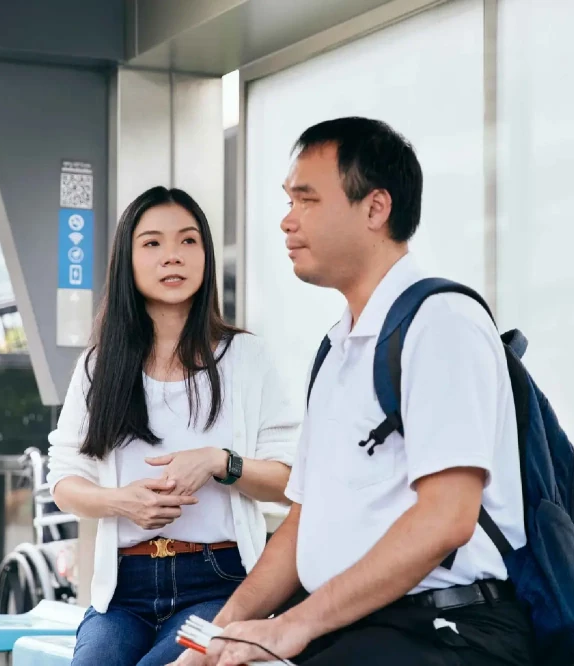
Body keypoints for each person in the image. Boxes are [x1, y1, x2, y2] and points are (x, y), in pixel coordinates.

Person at [172, 117, 533, 666]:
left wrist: (292, 626)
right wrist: (221, 634)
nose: (287, 221)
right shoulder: (339, 349)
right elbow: (302, 520)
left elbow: (447, 517)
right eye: (288, 201)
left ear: (375, 208)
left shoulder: (441, 323)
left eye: (306, 200)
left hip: (444, 630)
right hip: (356, 627)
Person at [47, 186, 300, 666]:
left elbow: (292, 481)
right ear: (128, 258)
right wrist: (119, 502)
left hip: (218, 582)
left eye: (188, 242)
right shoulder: (100, 365)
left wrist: (218, 463)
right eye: (153, 244)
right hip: (122, 593)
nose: (173, 257)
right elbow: (63, 480)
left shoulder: (245, 358)